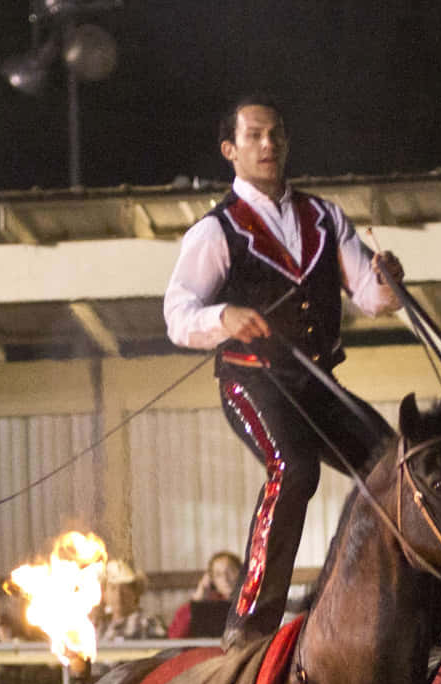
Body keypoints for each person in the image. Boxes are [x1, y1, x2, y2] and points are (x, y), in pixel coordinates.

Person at [163, 93, 406, 646]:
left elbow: (370, 297)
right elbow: (177, 316)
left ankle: (386, 601)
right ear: (231, 150)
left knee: (398, 467)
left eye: (275, 135)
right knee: (295, 468)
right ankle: (250, 623)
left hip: (318, 381)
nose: (268, 145)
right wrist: (223, 316)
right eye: (254, 136)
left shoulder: (324, 216)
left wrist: (389, 281)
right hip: (254, 381)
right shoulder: (214, 231)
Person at [167, 551, 242, 640]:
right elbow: (175, 636)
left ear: (242, 572)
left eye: (231, 571)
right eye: (218, 575)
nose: (225, 578)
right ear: (212, 581)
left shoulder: (253, 602)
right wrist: (197, 600)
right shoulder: (204, 606)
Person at [97, 559, 168, 642]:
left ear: (135, 592)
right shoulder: (100, 626)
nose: (118, 594)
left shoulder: (148, 622)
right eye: (113, 588)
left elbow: (162, 652)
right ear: (105, 594)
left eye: (125, 588)